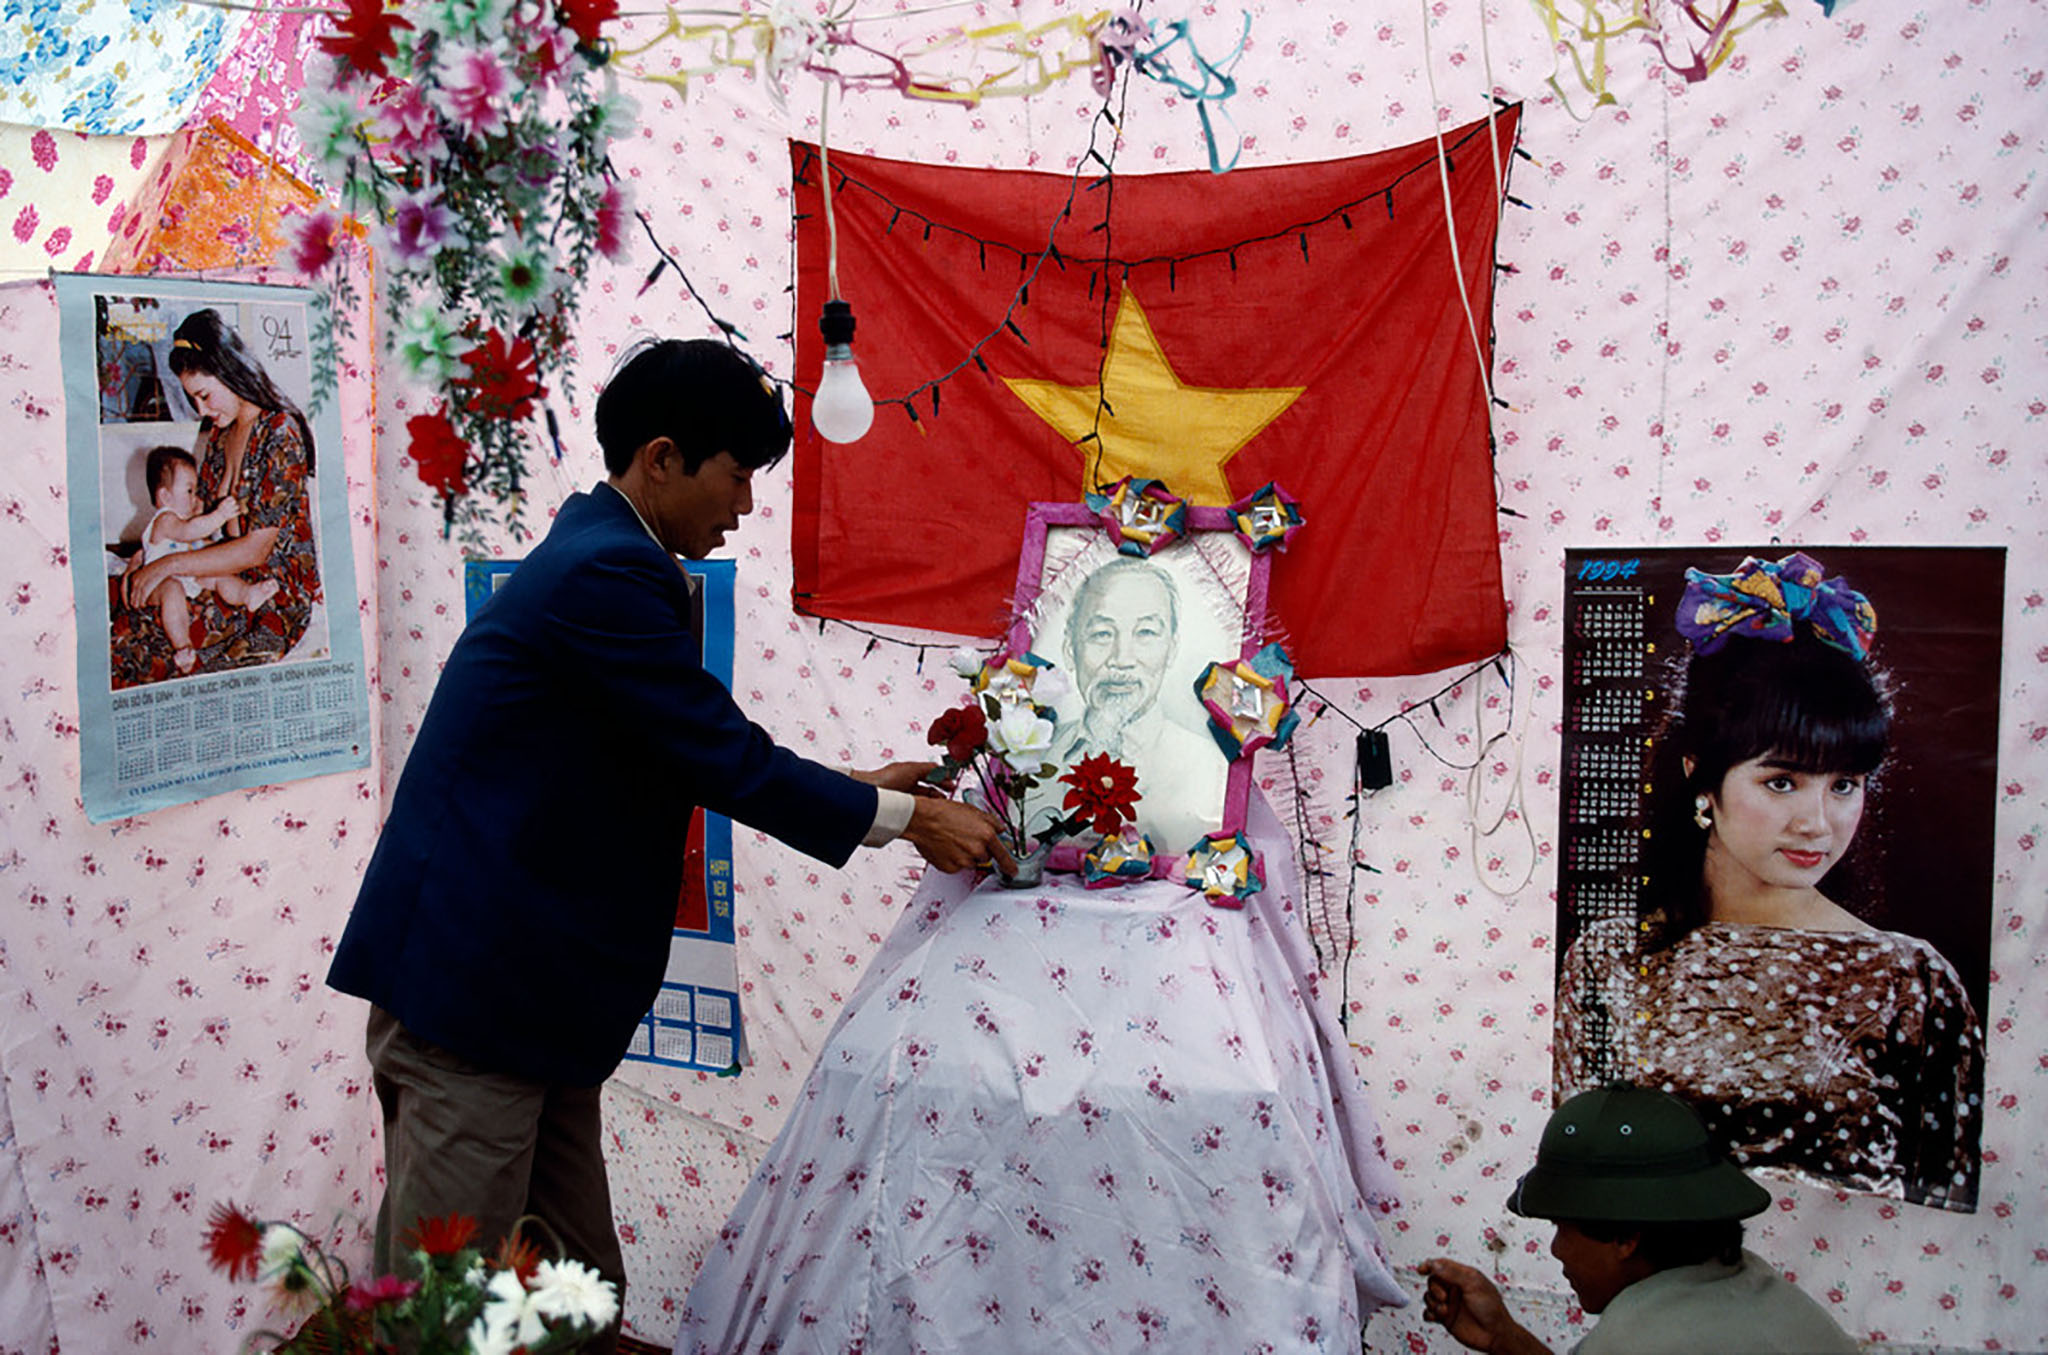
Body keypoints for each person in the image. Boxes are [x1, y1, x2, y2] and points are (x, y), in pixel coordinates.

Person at [325, 338, 1008, 1355]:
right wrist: (911, 821)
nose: (741, 506)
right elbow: (714, 750)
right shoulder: (606, 571)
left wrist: (858, 791)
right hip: (473, 997)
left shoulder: (607, 555)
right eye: (735, 476)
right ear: (661, 458)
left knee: (578, 1289)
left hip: (535, 1000)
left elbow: (671, 745)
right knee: (441, 1307)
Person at [1555, 552, 1983, 1211]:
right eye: (1781, 781)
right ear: (1702, 774)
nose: (1817, 822)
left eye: (1844, 784)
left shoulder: (1913, 983)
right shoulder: (1608, 959)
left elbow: (1948, 1194)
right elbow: (1577, 1164)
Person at [1418, 1086, 1859, 1355]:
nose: (1555, 1250)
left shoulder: (1636, 1343)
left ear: (1626, 1237)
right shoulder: (1760, 1293)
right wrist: (1504, 1338)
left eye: (1561, 1228)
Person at [115, 308, 319, 682]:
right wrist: (147, 554)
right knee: (132, 638)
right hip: (218, 574)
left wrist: (169, 565)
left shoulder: (279, 432)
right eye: (193, 400)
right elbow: (196, 520)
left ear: (229, 372)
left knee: (187, 669)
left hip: (268, 587)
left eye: (205, 396)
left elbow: (256, 550)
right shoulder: (221, 435)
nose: (201, 410)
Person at [1043, 555, 1229, 851]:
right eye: (1101, 634)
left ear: (1171, 648)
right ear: (1070, 649)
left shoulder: (1208, 765)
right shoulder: (1035, 759)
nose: (1122, 659)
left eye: (1145, 633)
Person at [136, 445, 279, 674]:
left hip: (187, 577)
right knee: (172, 589)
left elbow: (198, 544)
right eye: (189, 491)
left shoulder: (180, 520)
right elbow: (189, 532)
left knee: (216, 574)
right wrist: (218, 516)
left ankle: (247, 594)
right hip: (158, 585)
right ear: (165, 496)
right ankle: (182, 645)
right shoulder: (165, 520)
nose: (195, 498)